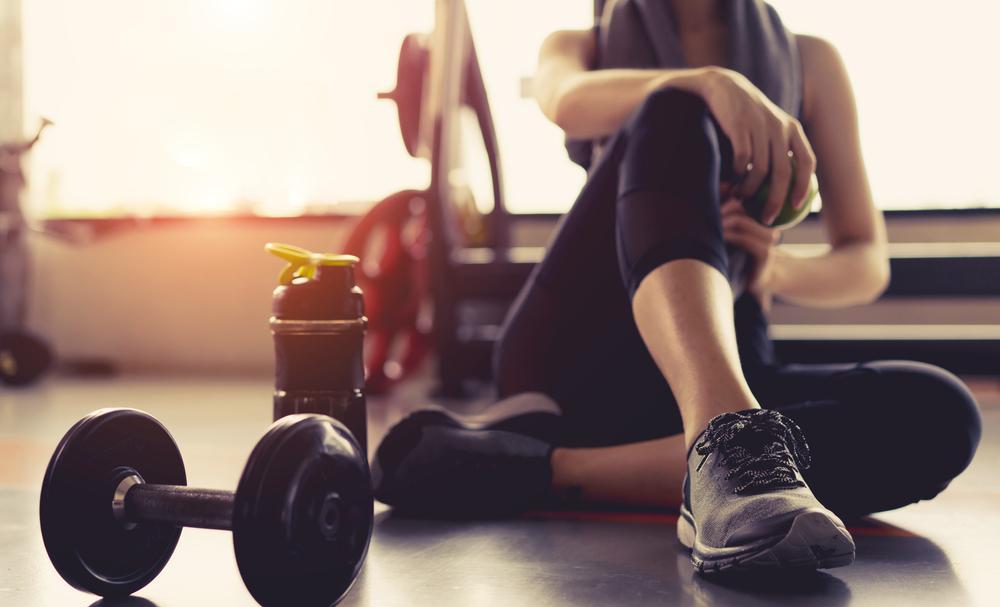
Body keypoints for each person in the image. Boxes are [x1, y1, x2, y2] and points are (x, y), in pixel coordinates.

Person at [370, 0, 982, 573]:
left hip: (729, 353)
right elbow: (565, 100)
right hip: (579, 357)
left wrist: (777, 271)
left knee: (942, 413)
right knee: (676, 104)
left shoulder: (811, 60)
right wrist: (711, 81)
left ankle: (545, 466)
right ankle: (729, 444)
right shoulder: (579, 44)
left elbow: (865, 261)